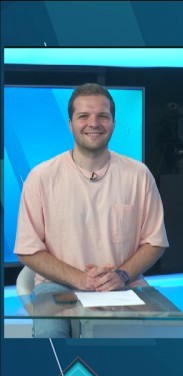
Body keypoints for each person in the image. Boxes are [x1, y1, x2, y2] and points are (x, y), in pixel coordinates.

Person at [15, 83, 169, 338]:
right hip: (58, 286)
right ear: (70, 124)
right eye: (84, 116)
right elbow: (28, 249)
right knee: (49, 337)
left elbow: (155, 242)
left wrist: (121, 274)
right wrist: (79, 279)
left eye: (103, 116)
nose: (93, 123)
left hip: (126, 283)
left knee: (167, 332)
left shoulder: (139, 175)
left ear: (114, 123)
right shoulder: (41, 177)